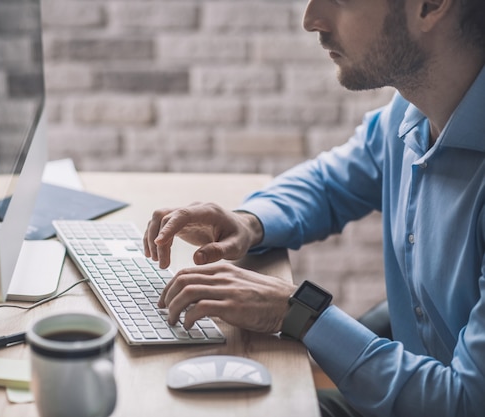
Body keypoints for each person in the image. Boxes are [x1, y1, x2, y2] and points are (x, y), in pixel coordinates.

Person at [142, 0, 485, 416]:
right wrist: (248, 223)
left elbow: (464, 403)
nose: (311, 20)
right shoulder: (412, 112)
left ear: (431, 6)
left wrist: (300, 312)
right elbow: (331, 183)